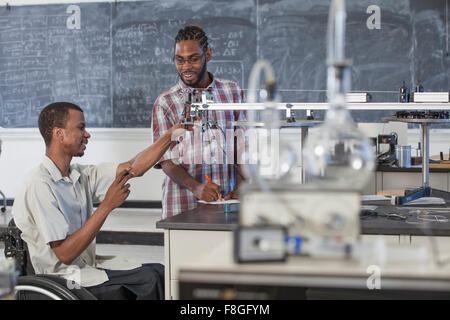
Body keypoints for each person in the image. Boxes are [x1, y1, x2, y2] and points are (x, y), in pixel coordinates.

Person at [12, 102, 185, 300]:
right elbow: (65, 254)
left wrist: (169, 136)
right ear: (59, 134)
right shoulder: (39, 184)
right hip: (61, 279)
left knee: (160, 272)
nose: (87, 134)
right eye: (80, 128)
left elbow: (132, 168)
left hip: (85, 268)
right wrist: (107, 206)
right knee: (148, 281)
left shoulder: (79, 175)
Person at [153, 24, 246, 219]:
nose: (186, 67)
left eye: (193, 59)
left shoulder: (231, 91)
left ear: (208, 54)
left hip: (226, 199)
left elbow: (242, 146)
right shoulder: (165, 102)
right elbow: (165, 159)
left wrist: (239, 186)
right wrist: (197, 187)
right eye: (180, 60)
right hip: (181, 203)